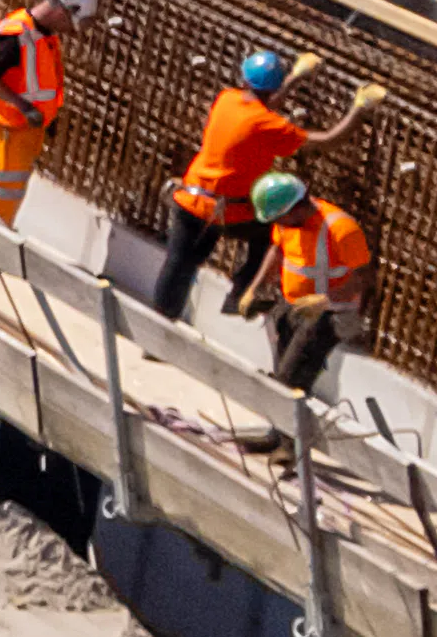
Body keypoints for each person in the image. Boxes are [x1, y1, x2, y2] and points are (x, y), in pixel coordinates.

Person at [151, 50, 364, 318]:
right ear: (275, 88)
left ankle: (159, 320)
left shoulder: (226, 99)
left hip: (191, 199)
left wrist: (294, 78)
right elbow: (327, 141)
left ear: (243, 80)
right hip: (230, 212)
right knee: (272, 235)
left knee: (179, 263)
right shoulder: (270, 125)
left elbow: (263, 104)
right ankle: (241, 295)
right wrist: (359, 109)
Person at [0, 0, 93, 219]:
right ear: (60, 12)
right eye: (71, 24)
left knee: (13, 187)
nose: (71, 31)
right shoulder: (16, 35)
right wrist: (24, 107)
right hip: (10, 126)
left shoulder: (44, 36)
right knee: (4, 186)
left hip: (26, 127)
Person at [245, 173, 368, 396]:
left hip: (329, 315)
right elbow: (277, 249)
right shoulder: (287, 222)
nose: (277, 225)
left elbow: (364, 279)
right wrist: (256, 287)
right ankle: (283, 425)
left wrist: (324, 300)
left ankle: (282, 430)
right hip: (293, 306)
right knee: (283, 374)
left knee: (290, 383)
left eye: (279, 219)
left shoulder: (341, 229)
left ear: (295, 209)